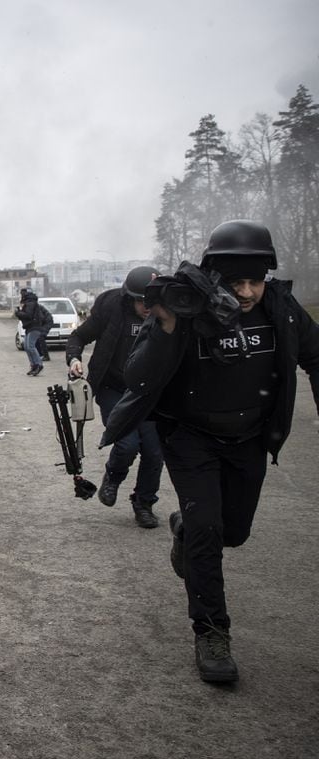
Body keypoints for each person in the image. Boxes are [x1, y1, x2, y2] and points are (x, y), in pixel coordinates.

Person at [103, 221, 319, 684]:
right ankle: (211, 632)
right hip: (191, 438)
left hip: (249, 438)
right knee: (208, 530)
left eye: (254, 281)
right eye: (235, 282)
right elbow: (137, 376)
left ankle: (184, 529)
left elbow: (316, 356)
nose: (246, 292)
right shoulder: (187, 307)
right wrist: (164, 327)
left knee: (233, 532)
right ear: (214, 276)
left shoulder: (280, 307)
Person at [65, 266, 164, 529]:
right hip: (113, 389)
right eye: (141, 301)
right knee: (127, 444)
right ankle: (113, 477)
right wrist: (74, 358)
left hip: (150, 394)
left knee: (155, 452)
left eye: (152, 301)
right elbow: (79, 336)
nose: (147, 307)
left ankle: (144, 503)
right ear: (130, 297)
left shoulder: (167, 316)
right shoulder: (111, 309)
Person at [15, 290, 51, 376]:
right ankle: (33, 365)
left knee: (30, 346)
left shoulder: (30, 303)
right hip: (30, 327)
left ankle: (38, 364)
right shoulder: (30, 303)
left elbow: (28, 315)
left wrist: (18, 313)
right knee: (27, 347)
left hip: (34, 327)